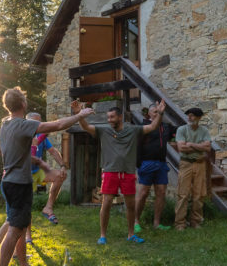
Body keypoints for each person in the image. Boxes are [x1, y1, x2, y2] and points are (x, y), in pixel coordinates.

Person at [0, 88, 92, 266]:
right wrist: (80, 115)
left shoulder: (5, 123)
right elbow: (57, 125)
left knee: (18, 227)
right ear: (24, 104)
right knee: (15, 230)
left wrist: (36, 163)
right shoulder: (23, 124)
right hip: (18, 185)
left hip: (9, 181)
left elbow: (1, 150)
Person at [74, 98, 166, 245]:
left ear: (120, 117)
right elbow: (85, 127)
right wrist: (79, 114)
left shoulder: (133, 130)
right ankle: (102, 235)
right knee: (107, 203)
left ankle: (131, 234)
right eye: (108, 117)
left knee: (130, 205)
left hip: (128, 173)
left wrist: (160, 113)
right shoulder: (104, 130)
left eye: (112, 117)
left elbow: (153, 127)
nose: (109, 120)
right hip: (110, 172)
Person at [135, 107, 178, 231]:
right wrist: (139, 164)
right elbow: (137, 146)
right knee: (143, 193)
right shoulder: (143, 126)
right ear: (148, 113)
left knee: (161, 193)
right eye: (155, 111)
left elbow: (181, 130)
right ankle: (136, 221)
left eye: (160, 112)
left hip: (161, 164)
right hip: (146, 163)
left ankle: (156, 223)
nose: (158, 114)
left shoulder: (166, 127)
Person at [174, 106, 212, 230]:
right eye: (188, 115)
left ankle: (195, 221)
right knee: (183, 194)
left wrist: (191, 144)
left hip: (200, 164)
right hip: (186, 163)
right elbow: (181, 148)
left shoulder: (204, 131)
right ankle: (180, 223)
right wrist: (199, 146)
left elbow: (208, 148)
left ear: (199, 117)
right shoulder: (182, 129)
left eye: (192, 115)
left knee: (199, 194)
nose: (189, 117)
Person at [28, 112, 67, 224]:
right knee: (26, 206)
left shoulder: (41, 137)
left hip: (38, 172)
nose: (39, 125)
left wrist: (63, 165)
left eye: (40, 122)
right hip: (24, 174)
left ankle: (48, 208)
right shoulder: (23, 136)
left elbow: (53, 151)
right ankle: (28, 238)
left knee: (60, 175)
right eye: (36, 123)